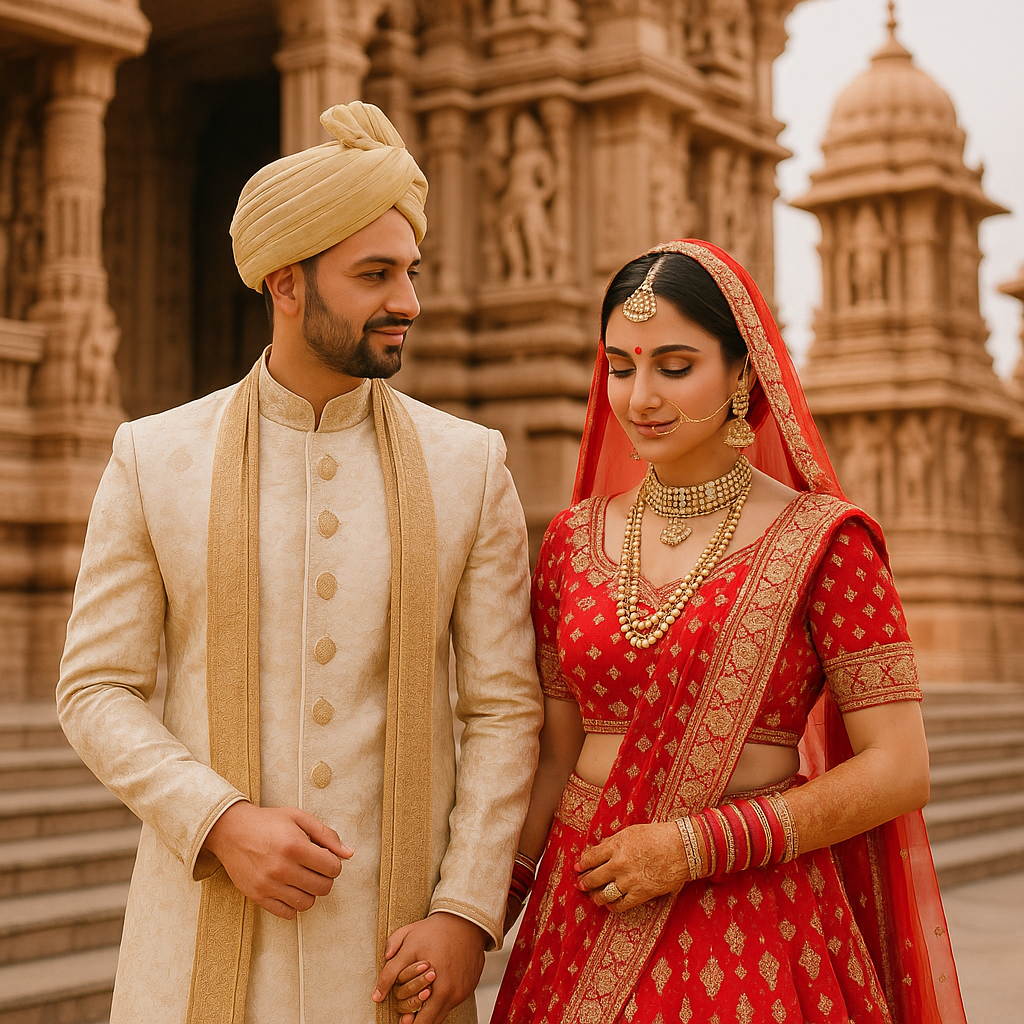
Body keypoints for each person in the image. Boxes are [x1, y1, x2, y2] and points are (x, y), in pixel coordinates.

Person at [56, 101, 543, 1024]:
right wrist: (219, 821)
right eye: (375, 275)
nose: (408, 300)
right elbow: (95, 689)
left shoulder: (469, 465)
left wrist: (467, 912)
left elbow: (504, 704)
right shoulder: (154, 456)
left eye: (410, 271)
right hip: (195, 941)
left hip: (398, 960)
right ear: (286, 283)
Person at [493, 240, 967, 1024]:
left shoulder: (827, 542)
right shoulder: (572, 541)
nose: (640, 396)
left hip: (753, 919)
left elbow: (900, 768)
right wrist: (482, 911)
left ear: (744, 372)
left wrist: (696, 847)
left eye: (675, 367)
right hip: (582, 916)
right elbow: (551, 753)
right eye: (620, 367)